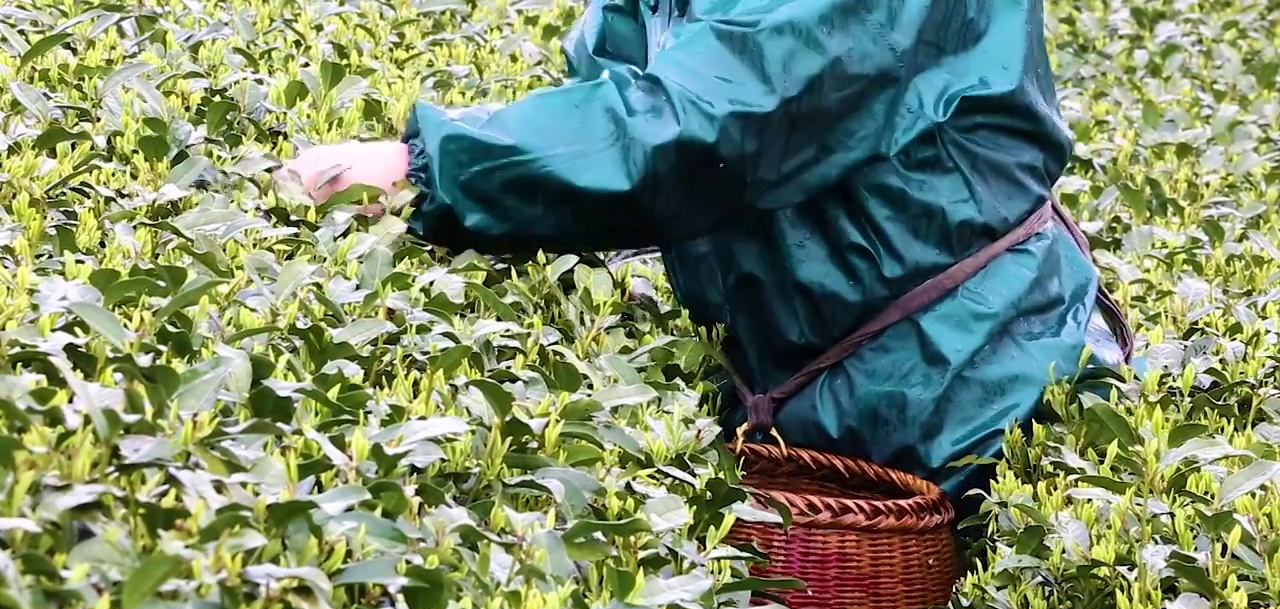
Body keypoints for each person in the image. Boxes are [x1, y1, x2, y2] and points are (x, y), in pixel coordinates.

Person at [280, 0, 1134, 517]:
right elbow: (615, 83)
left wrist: (434, 164)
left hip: (968, 384)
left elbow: (712, 121)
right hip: (806, 390)